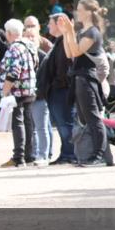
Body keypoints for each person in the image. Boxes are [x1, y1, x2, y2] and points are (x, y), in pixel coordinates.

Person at [56, 0, 113, 166]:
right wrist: (66, 32)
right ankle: (93, 154)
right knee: (86, 118)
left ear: (89, 12)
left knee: (93, 118)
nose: (77, 12)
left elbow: (75, 50)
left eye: (80, 9)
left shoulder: (92, 32)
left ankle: (100, 156)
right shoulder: (85, 32)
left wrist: (70, 31)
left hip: (88, 79)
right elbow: (69, 54)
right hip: (80, 78)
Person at [0, 19, 39, 168]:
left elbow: (14, 71)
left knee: (18, 123)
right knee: (27, 122)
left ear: (9, 33)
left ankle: (18, 157)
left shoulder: (14, 48)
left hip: (17, 91)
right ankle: (29, 156)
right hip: (29, 89)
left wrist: (5, 90)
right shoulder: (30, 45)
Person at [40, 14, 78, 165]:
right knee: (62, 124)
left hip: (62, 89)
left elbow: (64, 67)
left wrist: (57, 83)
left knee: (65, 123)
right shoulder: (59, 41)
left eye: (50, 23)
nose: (48, 27)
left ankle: (70, 154)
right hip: (57, 89)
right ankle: (66, 153)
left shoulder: (65, 41)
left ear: (59, 24)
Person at [24, 18, 52, 163]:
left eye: (32, 37)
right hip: (27, 96)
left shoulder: (43, 56)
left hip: (40, 96)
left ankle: (44, 154)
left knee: (41, 127)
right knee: (32, 127)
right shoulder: (23, 55)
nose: (29, 39)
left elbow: (47, 77)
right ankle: (34, 153)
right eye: (27, 36)